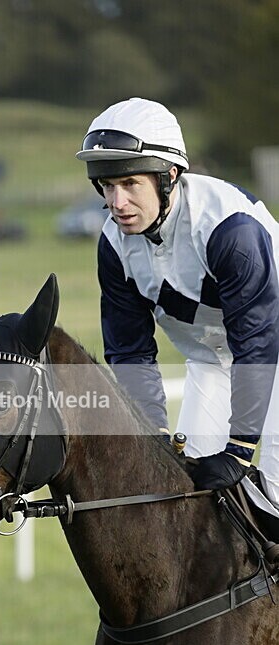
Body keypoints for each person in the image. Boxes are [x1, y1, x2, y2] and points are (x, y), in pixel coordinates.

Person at [76, 97, 279, 512]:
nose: (117, 203)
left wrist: (239, 449)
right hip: (212, 363)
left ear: (169, 176)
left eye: (131, 184)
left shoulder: (230, 230)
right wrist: (152, 438)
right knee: (180, 495)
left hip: (268, 355)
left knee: (275, 500)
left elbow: (256, 344)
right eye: (107, 187)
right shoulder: (113, 245)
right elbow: (130, 352)